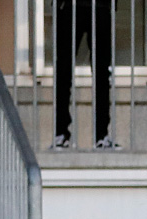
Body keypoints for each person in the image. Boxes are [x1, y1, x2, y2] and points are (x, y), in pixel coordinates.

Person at [52, 0, 113, 148]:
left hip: (97, 7)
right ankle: (62, 133)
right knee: (64, 71)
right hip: (71, 6)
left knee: (101, 73)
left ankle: (101, 134)